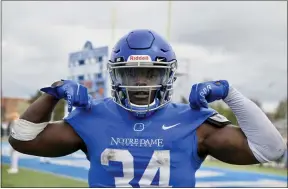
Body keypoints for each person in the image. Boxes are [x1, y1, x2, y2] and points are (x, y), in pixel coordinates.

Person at [9, 29, 286, 187]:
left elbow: (271, 148)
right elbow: (22, 140)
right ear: (116, 75)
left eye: (150, 74)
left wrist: (230, 93)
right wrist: (53, 93)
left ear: (167, 76)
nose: (140, 83)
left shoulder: (194, 122)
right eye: (131, 74)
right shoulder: (94, 115)